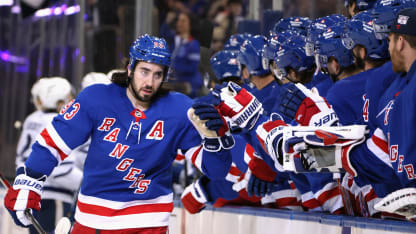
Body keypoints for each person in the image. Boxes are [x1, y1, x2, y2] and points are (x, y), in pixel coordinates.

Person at [4, 34, 232, 233]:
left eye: (157, 74)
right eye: (144, 71)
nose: (150, 82)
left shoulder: (180, 109)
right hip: (92, 223)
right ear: (130, 67)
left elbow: (216, 170)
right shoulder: (96, 99)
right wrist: (29, 181)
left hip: (149, 225)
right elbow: (52, 144)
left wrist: (215, 140)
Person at [15, 77, 82, 233]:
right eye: (68, 98)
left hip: (32, 189)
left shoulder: (31, 118)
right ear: (59, 101)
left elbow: (21, 156)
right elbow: (61, 171)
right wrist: (86, 183)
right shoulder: (59, 121)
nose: (71, 102)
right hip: (54, 192)